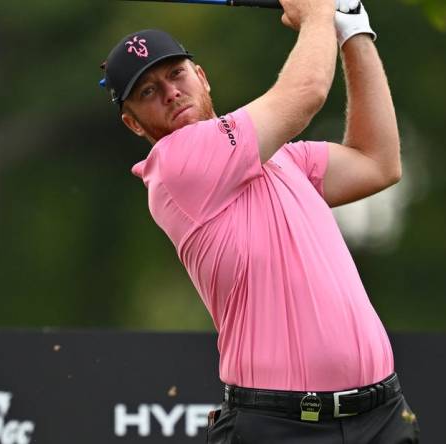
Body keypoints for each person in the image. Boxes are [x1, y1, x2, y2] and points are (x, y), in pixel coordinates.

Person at [99, 0, 419, 442]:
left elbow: (378, 162)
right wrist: (319, 13)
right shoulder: (175, 165)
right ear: (134, 124)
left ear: (201, 76)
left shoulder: (283, 157)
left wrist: (354, 30)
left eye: (176, 74)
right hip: (279, 426)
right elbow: (305, 93)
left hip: (382, 416)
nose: (170, 91)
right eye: (148, 91)